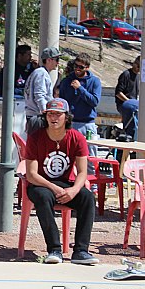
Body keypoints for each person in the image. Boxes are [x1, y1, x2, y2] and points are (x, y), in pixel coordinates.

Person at [24, 98, 99, 265]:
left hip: (65, 183)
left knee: (87, 198)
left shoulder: (77, 138)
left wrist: (73, 190)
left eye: (58, 114)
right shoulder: (35, 137)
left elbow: (82, 172)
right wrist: (53, 188)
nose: (54, 118)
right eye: (50, 114)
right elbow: (31, 174)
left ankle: (81, 251)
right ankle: (54, 249)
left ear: (67, 117)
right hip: (41, 184)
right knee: (43, 197)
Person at [59, 52, 101, 160]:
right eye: (75, 66)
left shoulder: (94, 82)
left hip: (87, 124)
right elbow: (62, 102)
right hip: (71, 123)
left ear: (87, 67)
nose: (77, 69)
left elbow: (95, 101)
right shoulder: (66, 81)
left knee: (90, 157)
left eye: (81, 67)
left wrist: (80, 89)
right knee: (68, 155)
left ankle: (90, 176)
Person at [23, 47, 60, 135]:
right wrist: (46, 113)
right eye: (56, 59)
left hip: (33, 116)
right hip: (38, 118)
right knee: (38, 146)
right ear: (48, 60)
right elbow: (39, 95)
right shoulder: (41, 73)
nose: (58, 62)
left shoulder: (38, 72)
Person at [115, 56, 140, 139]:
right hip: (124, 104)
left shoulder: (137, 77)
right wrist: (129, 101)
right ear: (134, 63)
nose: (138, 68)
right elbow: (118, 93)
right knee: (130, 128)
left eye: (140, 67)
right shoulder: (126, 74)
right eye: (137, 66)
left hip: (134, 106)